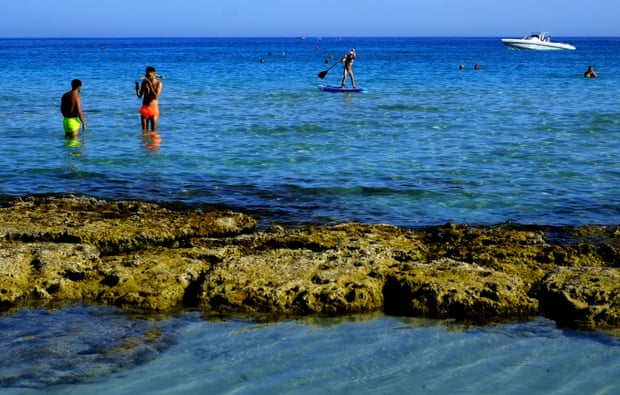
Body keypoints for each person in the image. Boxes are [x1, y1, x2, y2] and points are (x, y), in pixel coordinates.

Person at [135, 66, 163, 131]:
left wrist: (150, 85)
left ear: (154, 74)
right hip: (145, 108)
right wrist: (137, 88)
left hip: (154, 109)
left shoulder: (159, 83)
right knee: (144, 132)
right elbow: (139, 96)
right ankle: (145, 141)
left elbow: (156, 96)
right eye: (147, 75)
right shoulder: (144, 83)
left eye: (149, 75)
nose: (148, 77)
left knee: (154, 132)